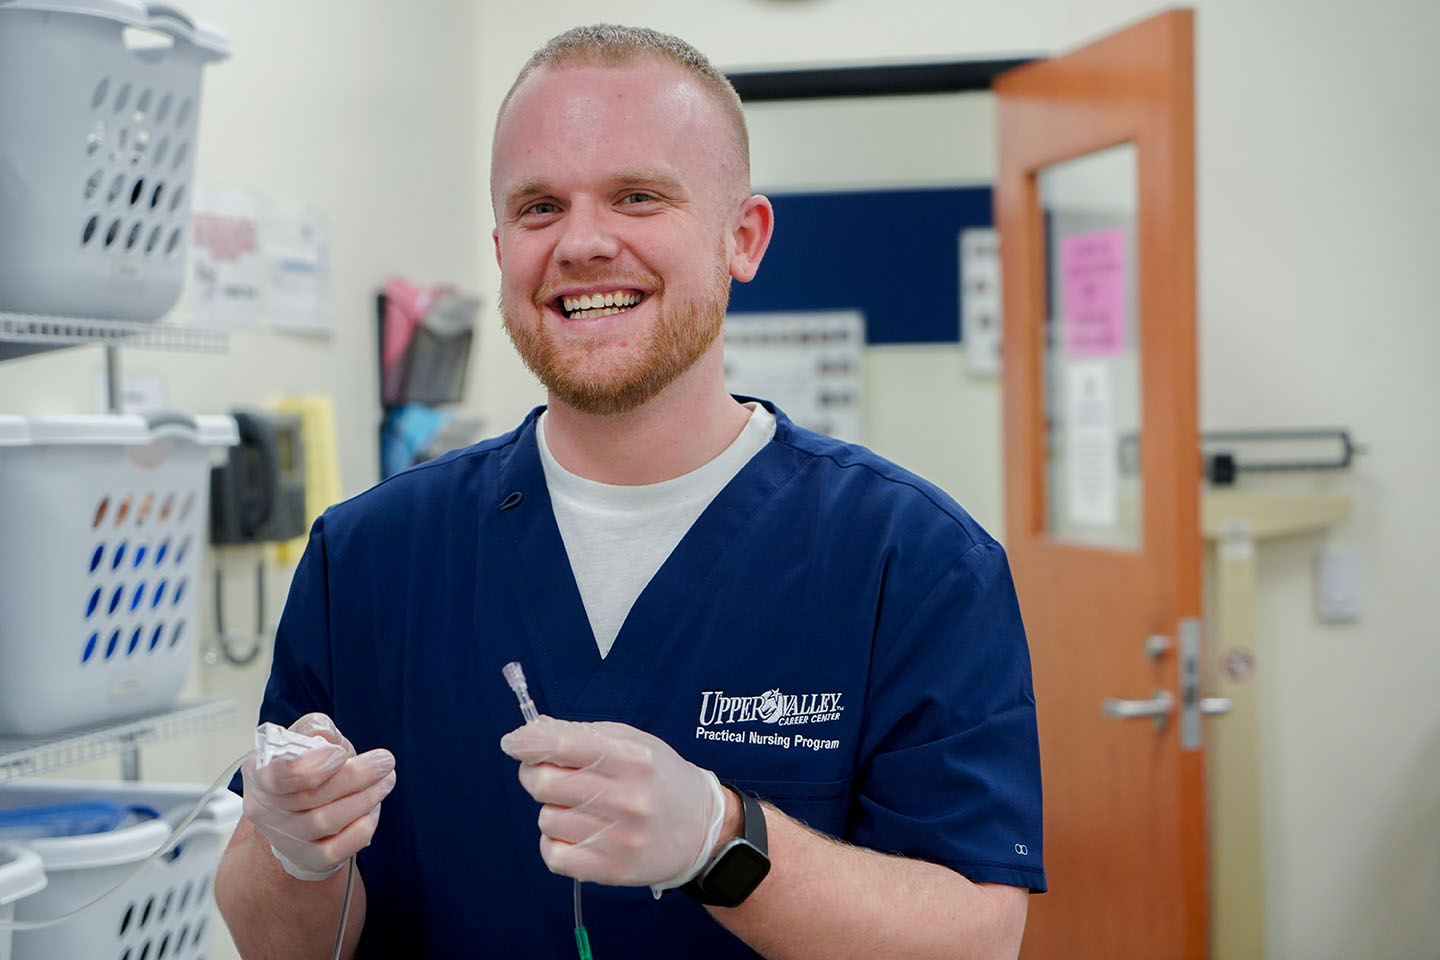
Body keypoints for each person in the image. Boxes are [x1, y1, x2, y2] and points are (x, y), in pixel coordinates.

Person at [213, 24, 1044, 960]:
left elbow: (977, 937)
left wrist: (721, 841)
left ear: (745, 237)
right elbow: (276, 946)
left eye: (637, 196)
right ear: (500, 249)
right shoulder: (368, 559)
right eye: (538, 209)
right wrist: (296, 853)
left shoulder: (913, 561)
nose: (583, 242)